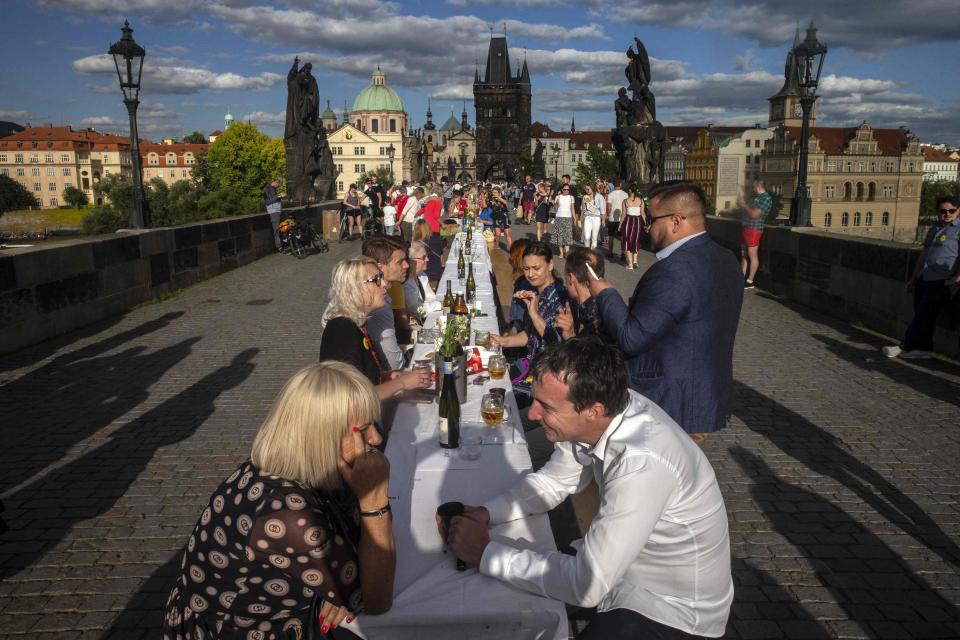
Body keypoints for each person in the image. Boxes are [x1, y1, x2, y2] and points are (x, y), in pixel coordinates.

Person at [438, 338, 733, 640]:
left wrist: (486, 552)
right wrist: (487, 513)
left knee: (505, 582)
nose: (532, 415)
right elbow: (554, 481)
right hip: (618, 569)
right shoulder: (597, 411)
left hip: (671, 607)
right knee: (498, 599)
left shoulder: (642, 461)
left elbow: (587, 585)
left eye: (546, 407)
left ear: (593, 410)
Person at [163, 361, 397, 639]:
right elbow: (377, 598)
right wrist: (374, 499)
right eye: (364, 428)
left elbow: (355, 541)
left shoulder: (288, 468)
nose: (376, 437)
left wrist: (338, 585)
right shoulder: (289, 515)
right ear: (323, 437)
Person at [588, 182, 743, 441]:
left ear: (676, 221)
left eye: (652, 219)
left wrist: (605, 293)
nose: (647, 227)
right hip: (703, 394)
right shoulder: (726, 258)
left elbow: (632, 338)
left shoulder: (674, 270)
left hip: (669, 401)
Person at [320, 258, 432, 398]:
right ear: (356, 288)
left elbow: (363, 378)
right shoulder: (342, 331)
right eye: (377, 280)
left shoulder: (354, 323)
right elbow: (350, 399)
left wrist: (387, 377)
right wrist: (401, 383)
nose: (385, 284)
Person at [490, 241, 569, 406]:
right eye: (526, 269)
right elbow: (529, 334)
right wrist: (501, 341)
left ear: (550, 265)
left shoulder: (560, 298)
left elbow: (556, 342)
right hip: (529, 364)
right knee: (487, 374)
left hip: (545, 376)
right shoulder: (538, 292)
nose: (531, 274)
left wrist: (533, 313)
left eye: (536, 268)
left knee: (496, 396)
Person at [882, 196, 960, 359]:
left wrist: (956, 278)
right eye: (943, 211)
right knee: (924, 314)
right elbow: (925, 254)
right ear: (938, 212)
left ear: (957, 210)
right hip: (925, 277)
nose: (947, 214)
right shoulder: (935, 228)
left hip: (943, 281)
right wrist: (913, 278)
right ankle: (924, 349)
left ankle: (904, 346)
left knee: (923, 313)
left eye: (951, 211)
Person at [356, 236, 411, 371]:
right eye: (400, 262)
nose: (407, 265)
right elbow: (395, 364)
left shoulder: (358, 289)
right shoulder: (378, 305)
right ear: (380, 267)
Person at [556, 248, 606, 341]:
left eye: (565, 275)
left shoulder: (593, 315)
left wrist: (570, 336)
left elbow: (591, 354)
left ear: (571, 278)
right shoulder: (604, 304)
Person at [736, 179, 773, 289]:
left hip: (754, 228)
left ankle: (750, 280)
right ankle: (741, 278)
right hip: (746, 226)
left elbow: (754, 214)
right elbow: (746, 210)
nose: (752, 188)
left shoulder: (766, 199)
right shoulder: (755, 197)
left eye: (754, 186)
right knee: (744, 254)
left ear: (759, 186)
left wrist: (743, 205)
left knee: (752, 254)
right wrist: (740, 203)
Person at [403, 240, 439, 318]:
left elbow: (431, 296)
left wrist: (430, 305)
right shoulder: (405, 282)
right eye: (423, 257)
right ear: (412, 261)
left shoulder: (422, 275)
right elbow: (418, 309)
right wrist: (439, 305)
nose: (427, 259)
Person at [619, 183, 645, 269]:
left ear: (630, 190)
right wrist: (645, 223)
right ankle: (635, 261)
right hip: (637, 222)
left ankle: (630, 264)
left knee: (627, 240)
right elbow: (643, 214)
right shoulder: (641, 200)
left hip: (628, 221)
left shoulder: (625, 201)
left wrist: (620, 225)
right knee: (636, 240)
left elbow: (623, 215)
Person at [606, 180, 628, 260]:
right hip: (622, 218)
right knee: (622, 237)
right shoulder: (625, 194)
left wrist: (608, 215)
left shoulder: (610, 194)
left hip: (612, 218)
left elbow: (609, 207)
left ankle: (610, 252)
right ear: (621, 184)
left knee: (611, 236)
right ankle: (622, 253)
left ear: (614, 185)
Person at [553, 183, 576, 258]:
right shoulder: (558, 197)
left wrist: (575, 218)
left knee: (567, 236)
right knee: (559, 236)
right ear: (562, 189)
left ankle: (567, 253)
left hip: (568, 218)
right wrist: (556, 205)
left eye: (568, 190)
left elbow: (572, 208)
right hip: (559, 217)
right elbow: (555, 208)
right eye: (564, 189)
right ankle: (561, 253)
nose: (566, 191)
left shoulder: (571, 197)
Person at [581, 183, 606, 250]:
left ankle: (592, 253)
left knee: (594, 238)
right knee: (587, 237)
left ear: (592, 188)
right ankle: (587, 252)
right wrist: (582, 217)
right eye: (586, 189)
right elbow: (584, 208)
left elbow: (602, 209)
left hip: (596, 218)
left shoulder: (599, 197)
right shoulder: (585, 197)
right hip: (588, 217)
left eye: (588, 189)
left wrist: (603, 220)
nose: (587, 190)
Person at [263, 177, 283, 251]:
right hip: (273, 211)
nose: (278, 187)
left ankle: (281, 245)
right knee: (276, 229)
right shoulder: (267, 188)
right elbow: (268, 201)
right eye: (278, 185)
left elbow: (274, 199)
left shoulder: (273, 189)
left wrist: (279, 197)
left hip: (277, 210)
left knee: (280, 228)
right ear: (276, 182)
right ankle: (279, 247)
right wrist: (278, 196)